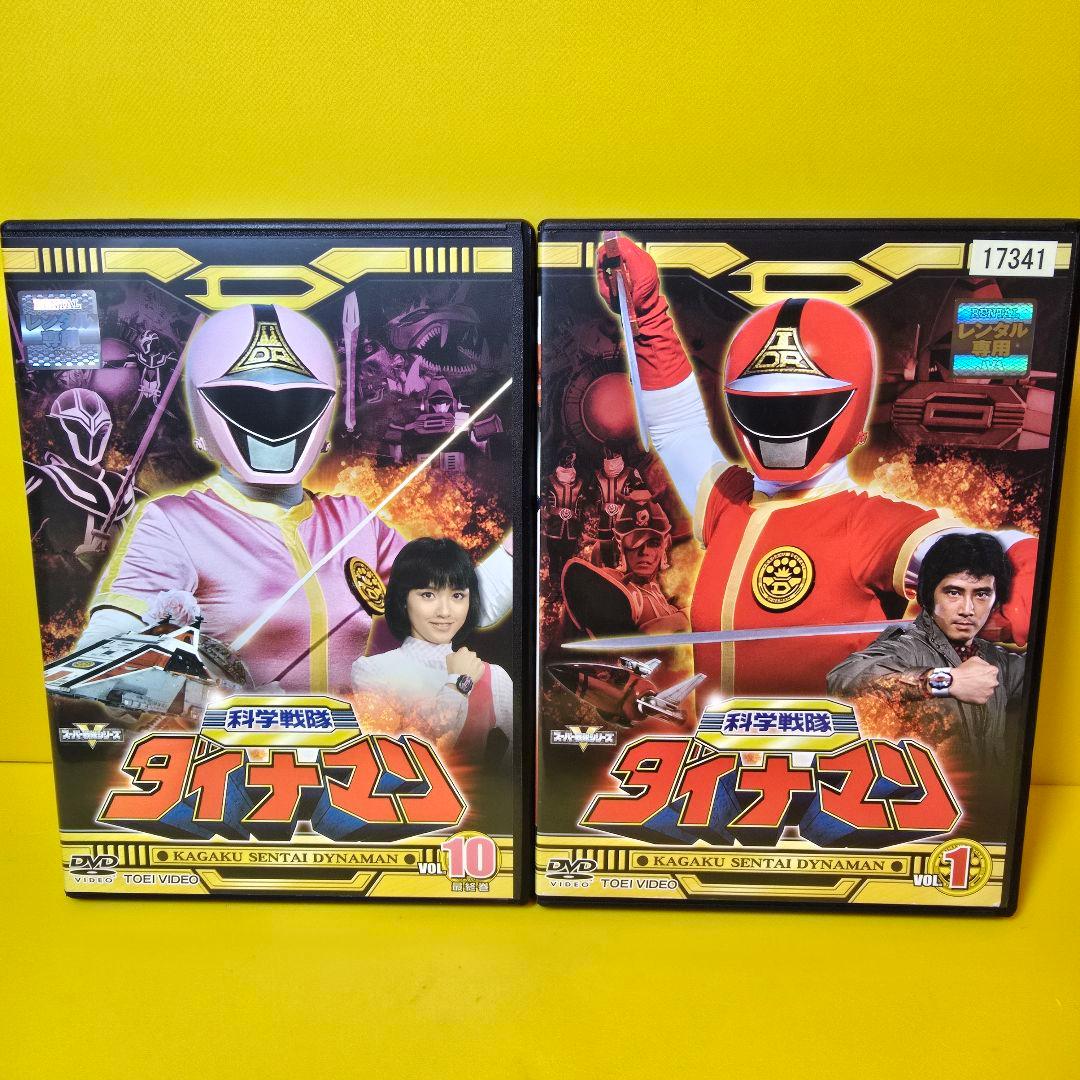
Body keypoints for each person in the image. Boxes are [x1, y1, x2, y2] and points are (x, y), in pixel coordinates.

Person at [594, 237, 1037, 699]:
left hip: (831, 742)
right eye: (763, 410)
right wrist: (646, 313)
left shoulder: (865, 523)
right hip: (719, 738)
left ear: (853, 410)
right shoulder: (728, 502)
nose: (779, 430)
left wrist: (1021, 566)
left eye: (799, 410)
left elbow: (961, 550)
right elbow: (677, 425)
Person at [80, 304, 512, 695]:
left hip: (351, 750)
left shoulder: (353, 518)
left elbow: (465, 604)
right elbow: (105, 662)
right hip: (235, 751)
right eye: (246, 402)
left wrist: (526, 536)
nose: (274, 423)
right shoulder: (174, 522)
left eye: (298, 401)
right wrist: (208, 692)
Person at [827, 532, 1025, 764]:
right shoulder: (907, 647)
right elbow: (843, 679)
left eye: (981, 594)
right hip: (920, 783)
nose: (967, 609)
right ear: (930, 594)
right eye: (954, 592)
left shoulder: (997, 661)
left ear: (995, 600)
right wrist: (944, 681)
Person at [351, 537, 513, 759]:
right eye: (428, 595)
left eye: (457, 595)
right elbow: (406, 753)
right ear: (403, 599)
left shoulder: (493, 676)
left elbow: (528, 747)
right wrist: (459, 683)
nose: (445, 612)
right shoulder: (371, 671)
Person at [562, 500, 688, 637]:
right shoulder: (612, 582)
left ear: (665, 545)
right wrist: (683, 618)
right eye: (634, 542)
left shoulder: (657, 588)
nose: (644, 551)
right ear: (620, 545)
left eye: (653, 543)